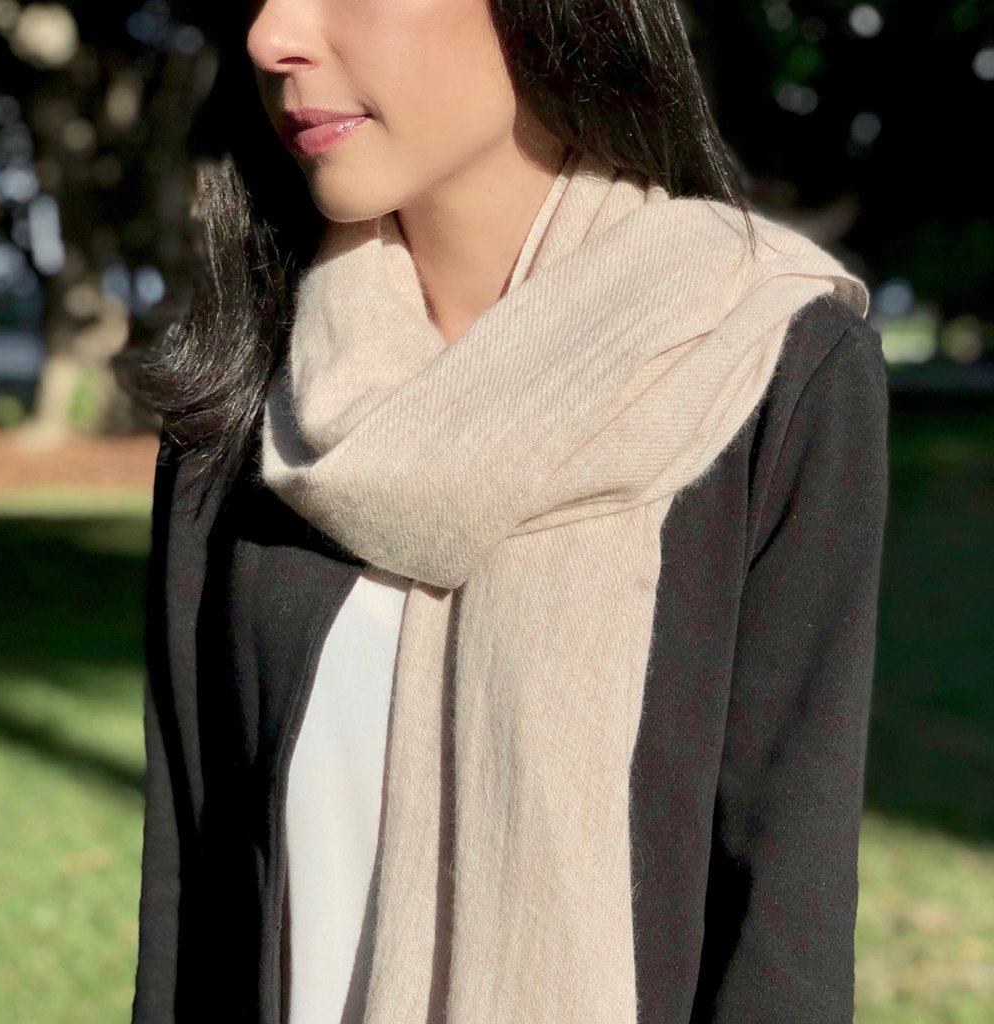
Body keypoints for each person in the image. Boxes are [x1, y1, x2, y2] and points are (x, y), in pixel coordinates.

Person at [115, 1, 890, 1023]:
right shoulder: (244, 392)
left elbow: (782, 916)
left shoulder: (762, 357)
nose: (271, 36)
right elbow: (195, 900)